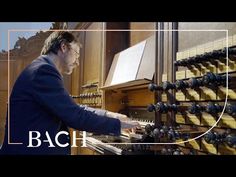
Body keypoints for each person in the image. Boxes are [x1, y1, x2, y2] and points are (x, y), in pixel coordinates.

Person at [0, 31, 139, 155]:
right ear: (64, 47)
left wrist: (110, 115)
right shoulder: (43, 71)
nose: (77, 62)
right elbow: (75, 116)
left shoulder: (41, 68)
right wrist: (118, 125)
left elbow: (73, 109)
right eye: (76, 54)